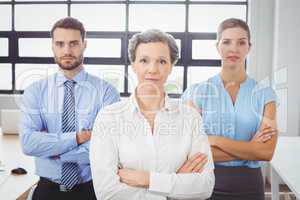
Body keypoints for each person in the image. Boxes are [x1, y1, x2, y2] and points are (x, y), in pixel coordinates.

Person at [90, 29, 215, 200]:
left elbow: (204, 186)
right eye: (144, 60)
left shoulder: (190, 118)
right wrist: (173, 186)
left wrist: (146, 179)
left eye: (162, 61)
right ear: (133, 64)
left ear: (172, 66)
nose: (153, 69)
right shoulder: (109, 117)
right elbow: (107, 192)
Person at [19, 17, 120, 200]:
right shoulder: (35, 92)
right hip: (47, 191)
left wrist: (52, 150)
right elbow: (28, 143)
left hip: (92, 190)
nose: (66, 50)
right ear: (52, 47)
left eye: (73, 43)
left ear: (84, 45)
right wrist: (78, 138)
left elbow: (107, 148)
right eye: (60, 44)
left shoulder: (106, 92)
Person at [182, 18, 278, 200]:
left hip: (250, 186)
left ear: (249, 47)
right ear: (217, 46)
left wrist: (214, 139)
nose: (233, 49)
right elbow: (191, 152)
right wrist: (251, 149)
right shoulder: (196, 92)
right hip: (203, 183)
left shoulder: (265, 94)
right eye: (226, 42)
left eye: (241, 42)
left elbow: (266, 152)